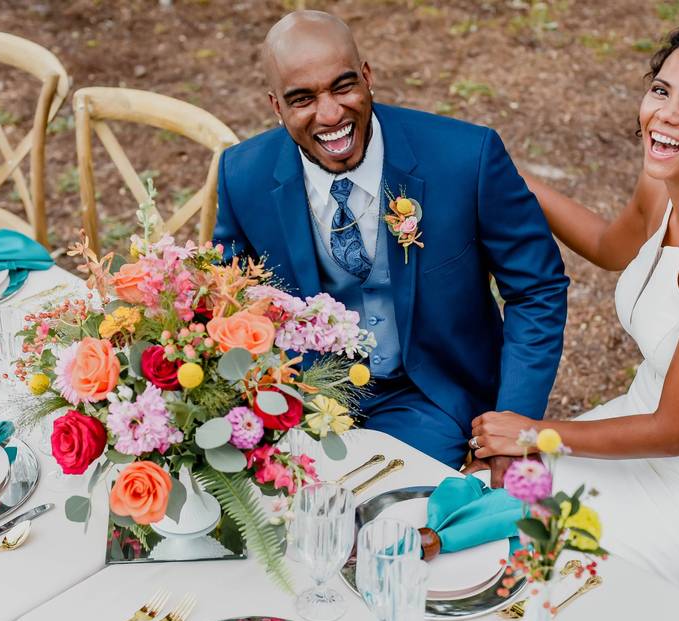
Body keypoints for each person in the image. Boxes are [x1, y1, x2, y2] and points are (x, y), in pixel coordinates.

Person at [469, 15, 679, 594]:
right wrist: (505, 176)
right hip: (633, 437)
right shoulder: (665, 186)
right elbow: (608, 245)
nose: (665, 116)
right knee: (479, 489)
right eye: (661, 90)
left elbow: (677, 432)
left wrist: (536, 433)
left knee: (524, 553)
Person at [214, 10, 568, 471]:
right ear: (276, 107)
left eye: (343, 87)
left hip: (433, 398)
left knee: (381, 511)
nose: (330, 114)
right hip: (302, 399)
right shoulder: (242, 175)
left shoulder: (466, 158)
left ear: (366, 77)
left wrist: (512, 428)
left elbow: (537, 289)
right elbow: (226, 303)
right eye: (302, 98)